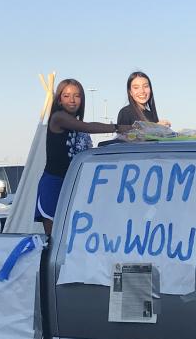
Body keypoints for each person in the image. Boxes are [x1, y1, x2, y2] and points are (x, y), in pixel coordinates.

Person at [36, 79, 131, 236]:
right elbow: (87, 126)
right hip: (54, 184)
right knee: (54, 239)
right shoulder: (58, 117)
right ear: (59, 99)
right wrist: (119, 127)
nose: (72, 100)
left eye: (77, 95)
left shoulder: (76, 125)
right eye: (66, 96)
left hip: (73, 185)